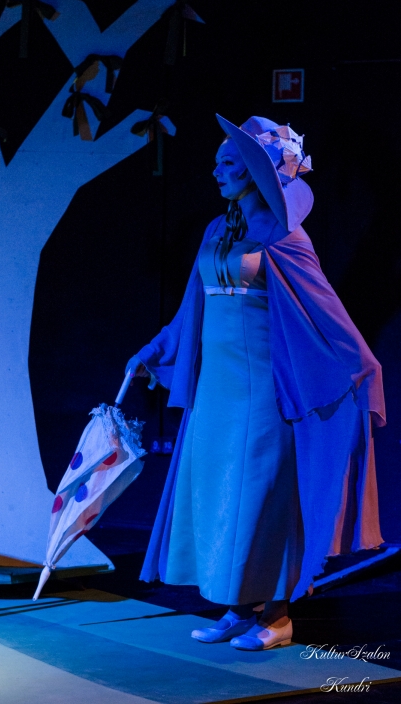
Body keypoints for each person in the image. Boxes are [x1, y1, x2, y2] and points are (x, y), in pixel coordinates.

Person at [126, 114, 386, 651]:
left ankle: (278, 616)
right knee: (220, 496)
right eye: (218, 162)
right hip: (215, 392)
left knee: (261, 502)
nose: (217, 172)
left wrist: (361, 369)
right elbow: (191, 310)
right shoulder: (216, 230)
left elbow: (328, 314)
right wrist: (155, 348)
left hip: (263, 392)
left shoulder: (285, 237)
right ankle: (237, 606)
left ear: (254, 171)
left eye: (229, 163)